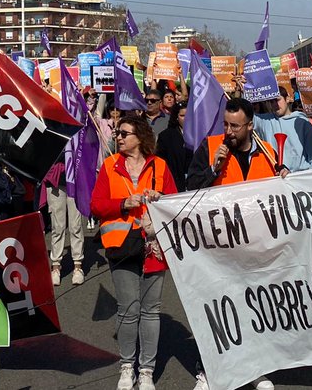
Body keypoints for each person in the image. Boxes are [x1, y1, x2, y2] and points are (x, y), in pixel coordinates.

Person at [185, 98, 281, 390]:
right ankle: (208, 371)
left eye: (235, 126)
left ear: (250, 126)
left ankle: (254, 369)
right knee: (217, 311)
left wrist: (286, 176)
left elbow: (279, 195)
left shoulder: (269, 151)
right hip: (217, 249)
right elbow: (190, 188)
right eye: (226, 124)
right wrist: (213, 169)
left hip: (256, 247)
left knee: (254, 309)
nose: (229, 131)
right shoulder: (210, 147)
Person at [90, 114, 176, 390]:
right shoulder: (109, 166)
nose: (119, 137)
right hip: (121, 246)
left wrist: (160, 199)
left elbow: (175, 204)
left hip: (154, 246)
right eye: (117, 133)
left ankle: (147, 370)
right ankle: (127, 367)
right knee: (128, 310)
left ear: (140, 137)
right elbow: (95, 206)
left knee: (151, 311)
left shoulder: (160, 166)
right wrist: (124, 203)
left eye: (124, 133)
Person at [253, 88, 312, 173]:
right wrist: (243, 91)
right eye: (271, 102)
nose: (274, 104)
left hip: (298, 177)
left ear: (288, 99)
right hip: (275, 178)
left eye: (277, 100)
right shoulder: (264, 121)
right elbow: (246, 116)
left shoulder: (302, 122)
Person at [42, 156, 85, 287]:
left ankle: (78, 266)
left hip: (75, 177)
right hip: (54, 178)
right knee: (57, 226)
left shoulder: (77, 134)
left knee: (75, 224)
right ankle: (56, 266)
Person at [155, 102, 191, 191]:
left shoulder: (200, 134)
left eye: (189, 115)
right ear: (176, 117)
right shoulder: (166, 136)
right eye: (182, 116)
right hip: (175, 183)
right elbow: (161, 161)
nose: (186, 119)